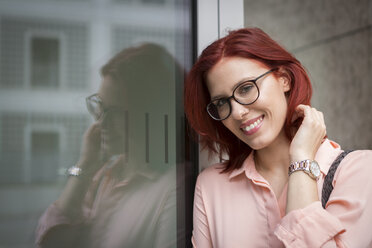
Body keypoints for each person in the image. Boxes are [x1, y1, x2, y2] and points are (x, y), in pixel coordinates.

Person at [184, 27, 372, 247]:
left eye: (245, 88)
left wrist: (302, 160)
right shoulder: (211, 186)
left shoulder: (360, 171)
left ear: (284, 79)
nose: (236, 112)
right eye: (222, 103)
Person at [35, 43, 179, 248]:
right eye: (100, 106)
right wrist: (84, 165)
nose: (101, 122)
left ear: (149, 115)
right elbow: (51, 243)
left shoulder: (174, 188)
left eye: (117, 112)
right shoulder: (105, 175)